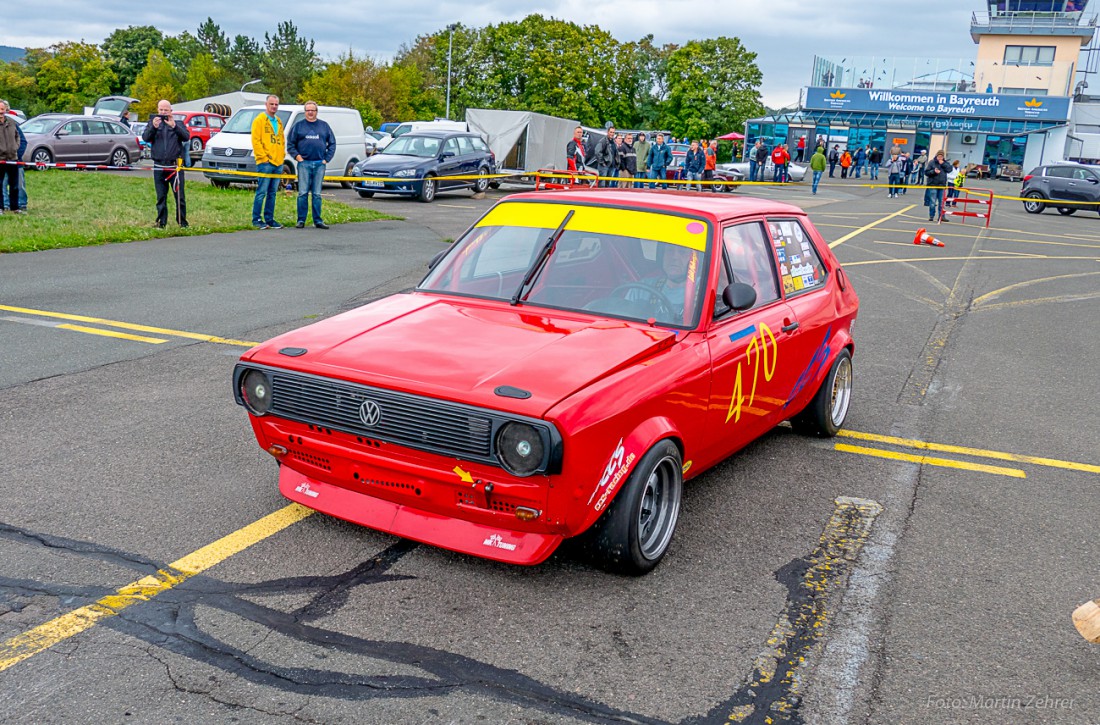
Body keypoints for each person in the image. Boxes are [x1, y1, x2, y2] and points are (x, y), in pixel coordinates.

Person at [287, 101, 335, 229]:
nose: (310, 112)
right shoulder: (298, 126)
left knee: (317, 194)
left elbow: (332, 144)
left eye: (312, 110)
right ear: (305, 111)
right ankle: (301, 220)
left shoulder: (324, 126)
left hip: (320, 164)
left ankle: (318, 220)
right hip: (304, 164)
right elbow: (290, 144)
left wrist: (326, 159)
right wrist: (298, 158)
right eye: (307, 110)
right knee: (302, 193)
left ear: (316, 112)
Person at [142, 99, 190, 228]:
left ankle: (182, 222)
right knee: (161, 197)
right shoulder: (152, 124)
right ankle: (161, 222)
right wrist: (153, 126)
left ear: (171, 111)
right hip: (159, 166)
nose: (163, 112)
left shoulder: (178, 123)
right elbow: (145, 137)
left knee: (180, 197)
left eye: (166, 110)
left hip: (175, 167)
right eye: (161, 110)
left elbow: (186, 137)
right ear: (158, 110)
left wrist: (174, 126)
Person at [627, 243, 695, 323]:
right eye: (670, 250)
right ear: (661, 255)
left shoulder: (704, 293)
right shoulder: (640, 289)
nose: (674, 257)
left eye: (682, 252)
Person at [251, 94, 285, 229]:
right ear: (266, 105)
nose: (274, 106)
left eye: (276, 104)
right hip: (265, 162)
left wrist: (282, 156)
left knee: (273, 192)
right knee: (261, 192)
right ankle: (256, 219)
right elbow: (256, 141)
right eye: (272, 104)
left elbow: (282, 140)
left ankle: (269, 219)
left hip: (278, 162)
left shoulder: (279, 121)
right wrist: (264, 158)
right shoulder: (259, 120)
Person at [0, 100, 26, 213]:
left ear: (6, 109)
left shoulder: (11, 122)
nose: (1, 112)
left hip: (13, 159)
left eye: (2, 109)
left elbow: (18, 137)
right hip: (0, 160)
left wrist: (15, 148)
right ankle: (1, 207)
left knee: (15, 185)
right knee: (0, 185)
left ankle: (15, 207)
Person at [924, 150, 952, 222]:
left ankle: (941, 216)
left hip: (942, 185)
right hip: (933, 184)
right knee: (933, 202)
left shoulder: (945, 163)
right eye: (939, 156)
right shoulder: (931, 162)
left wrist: (943, 164)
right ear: (936, 156)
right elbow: (926, 172)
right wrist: (933, 171)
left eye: (941, 156)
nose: (940, 158)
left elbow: (949, 169)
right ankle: (931, 215)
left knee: (941, 202)